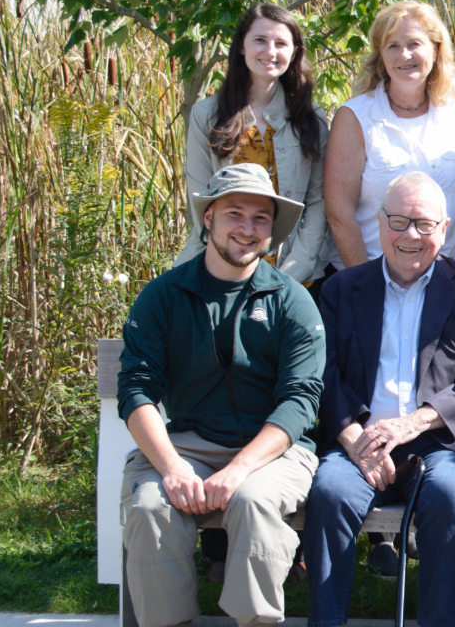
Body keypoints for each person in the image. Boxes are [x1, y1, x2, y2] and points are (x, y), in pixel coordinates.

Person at [117, 163, 324, 627]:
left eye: (261, 219)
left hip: (273, 453)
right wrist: (171, 468)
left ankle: (255, 622)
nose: (247, 230)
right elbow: (136, 389)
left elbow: (301, 400)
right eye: (235, 214)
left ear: (273, 230)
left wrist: (240, 469)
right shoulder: (163, 296)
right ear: (207, 217)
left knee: (253, 501)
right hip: (188, 444)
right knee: (151, 506)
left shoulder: (291, 300)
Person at [304, 171, 455, 627]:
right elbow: (324, 374)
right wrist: (355, 440)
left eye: (424, 224)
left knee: (451, 493)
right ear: (378, 222)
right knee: (331, 491)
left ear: (447, 227)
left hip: (441, 443)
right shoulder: (340, 290)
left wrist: (412, 424)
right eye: (398, 221)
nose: (410, 235)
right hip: (359, 440)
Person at [175, 3, 330, 288]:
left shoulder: (312, 119)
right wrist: (228, 272)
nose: (270, 51)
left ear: (294, 52)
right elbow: (200, 199)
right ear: (242, 47)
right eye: (260, 40)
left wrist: (295, 272)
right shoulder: (206, 115)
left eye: (281, 43)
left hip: (295, 273)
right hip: (218, 270)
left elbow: (318, 202)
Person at [326, 0, 455, 270]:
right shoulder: (355, 117)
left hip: (443, 280)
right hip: (373, 273)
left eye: (414, 44)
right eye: (393, 46)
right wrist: (365, 284)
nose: (404, 55)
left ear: (436, 49)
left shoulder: (451, 112)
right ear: (380, 55)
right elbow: (339, 215)